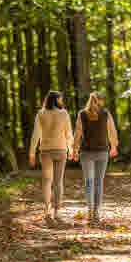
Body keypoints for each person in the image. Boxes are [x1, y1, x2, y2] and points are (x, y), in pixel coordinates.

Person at [73, 91, 118, 223]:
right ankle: (96, 212)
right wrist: (114, 146)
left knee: (89, 182)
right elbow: (112, 131)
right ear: (101, 101)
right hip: (102, 151)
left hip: (86, 152)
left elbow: (77, 133)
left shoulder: (82, 114)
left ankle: (90, 210)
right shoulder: (106, 114)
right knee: (98, 182)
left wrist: (75, 149)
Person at [29, 91, 73, 221]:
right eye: (61, 99)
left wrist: (32, 153)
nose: (62, 101)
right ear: (57, 100)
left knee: (47, 181)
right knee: (58, 181)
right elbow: (68, 133)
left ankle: (47, 209)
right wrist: (71, 149)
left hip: (46, 151)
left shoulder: (41, 113)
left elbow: (35, 134)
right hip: (60, 150)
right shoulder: (64, 113)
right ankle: (57, 211)